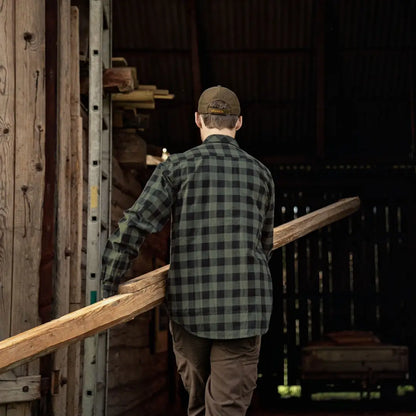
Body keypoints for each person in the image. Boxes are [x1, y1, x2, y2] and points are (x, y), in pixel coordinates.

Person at [101, 85, 275, 416]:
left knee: (198, 407)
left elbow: (135, 224)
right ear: (239, 123)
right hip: (244, 310)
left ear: (197, 119)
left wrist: (108, 284)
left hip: (190, 309)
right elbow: (264, 244)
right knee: (225, 410)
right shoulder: (261, 174)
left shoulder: (176, 168)